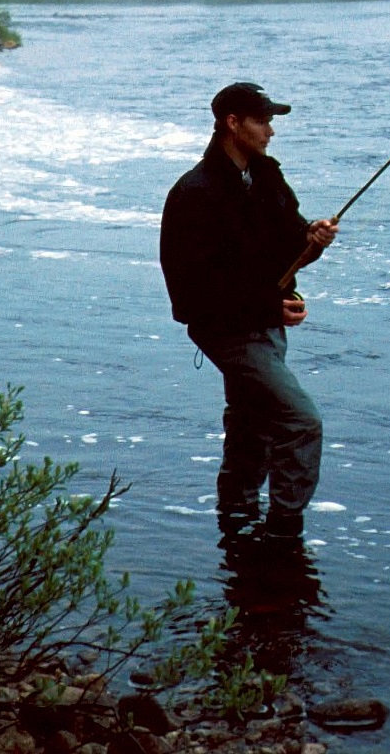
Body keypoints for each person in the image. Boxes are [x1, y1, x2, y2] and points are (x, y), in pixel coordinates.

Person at [160, 82, 338, 540]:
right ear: (232, 123)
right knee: (301, 422)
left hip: (264, 324)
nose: (271, 131)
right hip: (225, 331)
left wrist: (311, 240)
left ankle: (236, 522)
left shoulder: (266, 177)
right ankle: (283, 532)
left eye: (272, 120)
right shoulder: (194, 193)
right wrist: (269, 306)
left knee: (252, 421)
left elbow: (289, 244)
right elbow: (193, 288)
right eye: (263, 121)